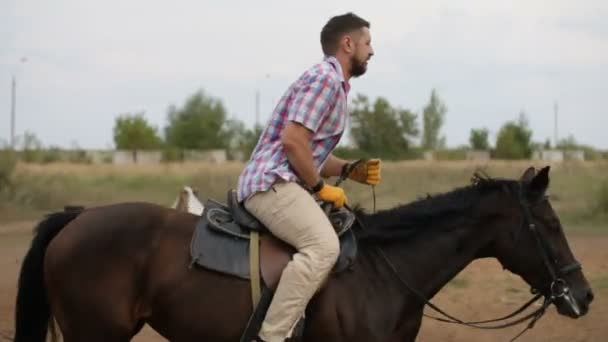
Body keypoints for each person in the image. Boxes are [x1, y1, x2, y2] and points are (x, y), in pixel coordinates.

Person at [236, 12, 381, 342]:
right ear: (348, 44)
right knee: (323, 247)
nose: (372, 51)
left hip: (282, 180)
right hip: (271, 184)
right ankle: (270, 337)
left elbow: (309, 152)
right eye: (368, 43)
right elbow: (292, 141)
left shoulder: (332, 83)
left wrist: (347, 169)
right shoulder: (325, 81)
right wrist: (320, 188)